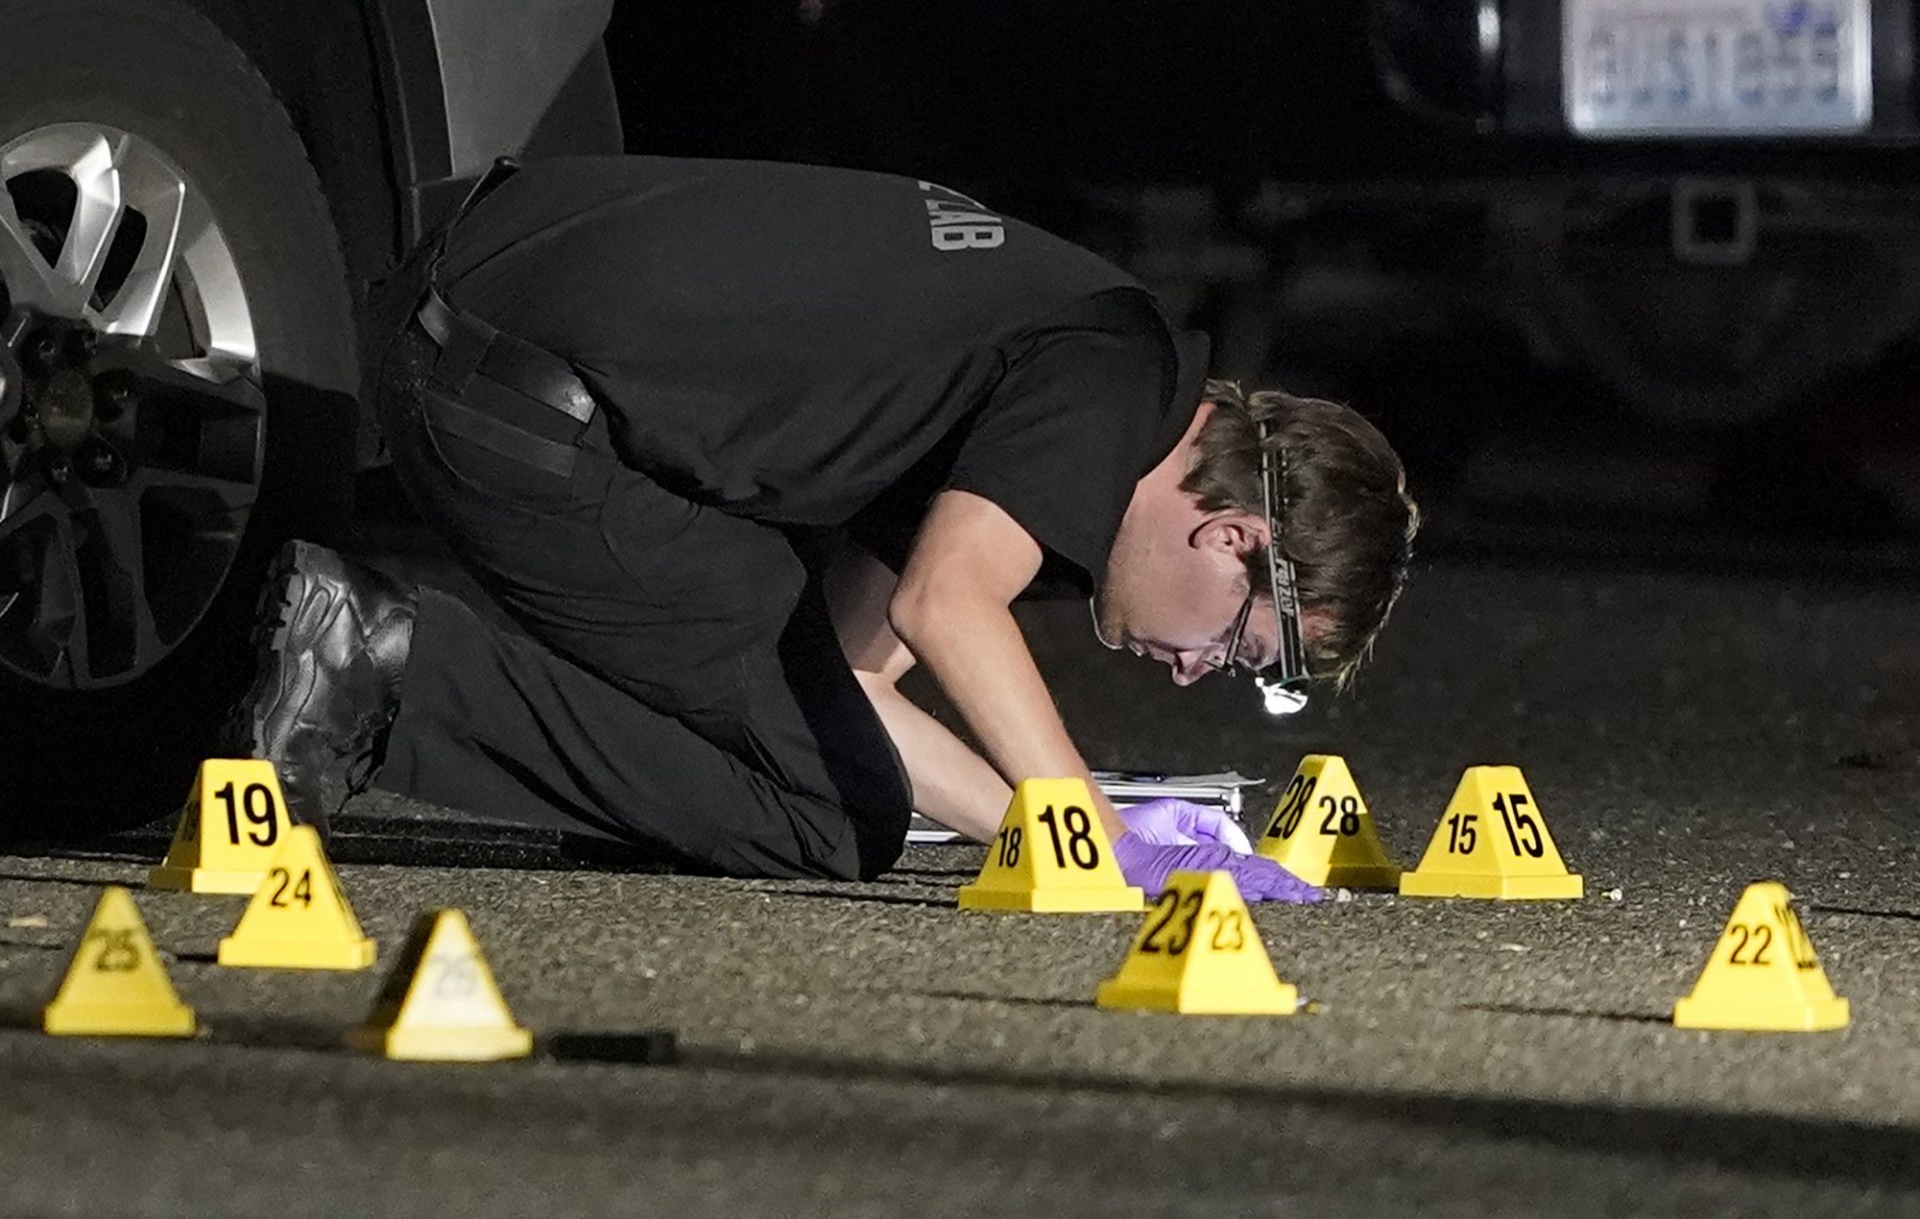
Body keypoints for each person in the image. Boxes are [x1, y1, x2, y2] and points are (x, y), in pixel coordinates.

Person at [228, 156, 1417, 900]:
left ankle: (632, 788)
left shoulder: (1086, 358)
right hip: (507, 390)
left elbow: (850, 680)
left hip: (467, 297)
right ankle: (388, 669)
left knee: (806, 756)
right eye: (1245, 655)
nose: (1194, 670)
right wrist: (1079, 829)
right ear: (1234, 541)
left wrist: (1032, 819)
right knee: (828, 816)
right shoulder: (1107, 383)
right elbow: (943, 607)